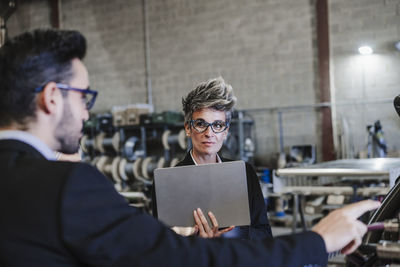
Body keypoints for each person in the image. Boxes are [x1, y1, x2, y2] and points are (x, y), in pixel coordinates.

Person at [0, 28, 380, 266]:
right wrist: (318, 240)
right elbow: (168, 254)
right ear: (52, 98)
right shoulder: (69, 186)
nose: (86, 111)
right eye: (84, 96)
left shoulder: (243, 172)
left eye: (218, 125)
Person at [152, 77, 272, 240]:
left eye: (217, 125)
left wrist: (229, 236)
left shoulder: (244, 174)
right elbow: (161, 245)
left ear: (225, 131)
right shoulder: (168, 183)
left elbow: (264, 235)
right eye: (201, 124)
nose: (209, 134)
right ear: (188, 128)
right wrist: (195, 239)